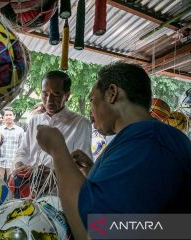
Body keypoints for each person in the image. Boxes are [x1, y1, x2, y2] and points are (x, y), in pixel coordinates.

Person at [36, 62, 191, 240]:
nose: (91, 110)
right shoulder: (150, 139)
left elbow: (94, 230)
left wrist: (58, 150)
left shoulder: (148, 143)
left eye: (92, 99)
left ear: (112, 93)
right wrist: (93, 171)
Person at [13, 70, 92, 175]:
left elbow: (82, 166)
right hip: (29, 187)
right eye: (45, 94)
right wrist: (19, 165)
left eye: (56, 94)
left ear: (67, 95)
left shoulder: (80, 124)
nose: (49, 100)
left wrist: (51, 173)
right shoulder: (34, 120)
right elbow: (23, 151)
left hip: (59, 190)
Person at [0, 107, 24, 181]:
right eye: (6, 115)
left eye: (10, 115)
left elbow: (21, 148)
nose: (8, 117)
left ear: (14, 117)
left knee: (12, 186)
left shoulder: (20, 130)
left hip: (13, 163)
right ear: (3, 117)